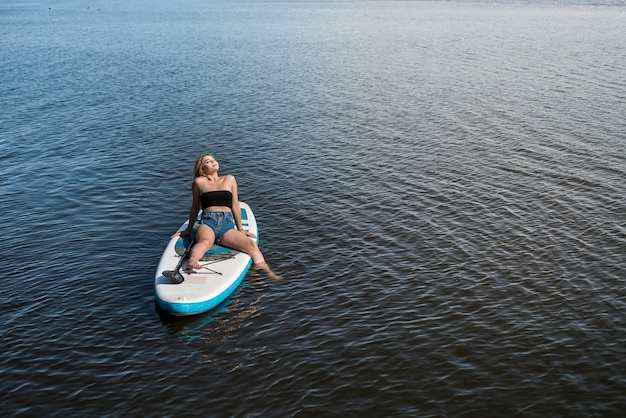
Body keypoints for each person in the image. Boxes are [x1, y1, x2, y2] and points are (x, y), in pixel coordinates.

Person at [173, 153, 280, 279]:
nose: (213, 161)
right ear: (202, 169)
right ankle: (193, 261)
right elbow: (195, 207)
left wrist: (240, 229)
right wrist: (189, 229)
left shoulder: (229, 179)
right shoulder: (199, 182)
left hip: (227, 224)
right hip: (208, 222)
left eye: (214, 159)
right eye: (208, 161)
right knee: (205, 241)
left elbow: (235, 205)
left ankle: (266, 272)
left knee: (251, 246)